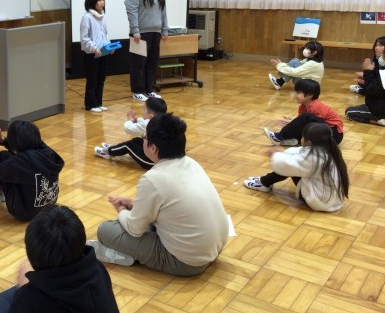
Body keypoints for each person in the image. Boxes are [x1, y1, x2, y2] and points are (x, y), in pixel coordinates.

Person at [88, 114, 229, 276]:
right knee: (140, 222)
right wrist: (134, 206)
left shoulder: (153, 178)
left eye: (144, 137)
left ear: (153, 148)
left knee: (105, 229)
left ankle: (124, 254)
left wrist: (121, 210)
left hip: (187, 263)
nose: (143, 140)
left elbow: (135, 229)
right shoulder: (191, 163)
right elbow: (171, 206)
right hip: (215, 248)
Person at [0, 205, 119, 313]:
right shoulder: (97, 269)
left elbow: (27, 304)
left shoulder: (32, 300)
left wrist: (24, 289)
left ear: (32, 255)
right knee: (13, 290)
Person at [244, 123, 349, 212]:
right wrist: (282, 153)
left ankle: (264, 183)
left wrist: (275, 155)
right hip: (331, 198)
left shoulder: (314, 159)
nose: (301, 139)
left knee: (289, 167)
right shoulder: (328, 150)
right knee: (291, 163)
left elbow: (288, 165)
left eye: (302, 137)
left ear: (309, 142)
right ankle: (265, 182)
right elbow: (300, 153)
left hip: (321, 201)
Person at [0, 120, 65, 221]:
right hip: (48, 207)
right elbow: (23, 146)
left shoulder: (20, 162)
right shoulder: (47, 151)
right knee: (6, 156)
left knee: (3, 157)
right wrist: (3, 140)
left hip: (23, 212)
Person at [124, 0, 168, 101]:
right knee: (138, 64)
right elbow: (131, 11)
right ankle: (137, 91)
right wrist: (135, 31)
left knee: (152, 63)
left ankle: (148, 89)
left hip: (155, 33)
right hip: (140, 34)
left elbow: (163, 12)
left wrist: (165, 29)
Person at [263, 78, 344, 146]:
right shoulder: (302, 107)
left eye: (298, 92)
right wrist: (291, 123)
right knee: (303, 121)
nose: (295, 95)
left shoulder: (316, 106)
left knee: (306, 117)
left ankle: (279, 136)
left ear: (309, 95)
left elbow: (319, 127)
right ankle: (292, 140)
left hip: (334, 135)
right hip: (322, 134)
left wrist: (293, 125)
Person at [93, 97, 167, 169]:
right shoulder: (162, 120)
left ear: (150, 116)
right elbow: (144, 123)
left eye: (144, 109)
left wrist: (129, 120)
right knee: (137, 140)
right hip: (161, 158)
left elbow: (128, 129)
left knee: (128, 146)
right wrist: (136, 120)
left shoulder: (149, 124)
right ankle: (114, 148)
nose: (142, 111)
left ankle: (107, 152)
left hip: (151, 163)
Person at [80, 0, 112, 112]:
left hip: (103, 53)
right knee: (92, 80)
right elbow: (84, 38)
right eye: (99, 0)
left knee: (101, 79)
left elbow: (105, 35)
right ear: (92, 1)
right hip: (92, 54)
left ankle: (98, 103)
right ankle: (90, 105)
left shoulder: (102, 17)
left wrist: (109, 46)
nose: (102, 2)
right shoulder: (87, 18)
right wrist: (94, 48)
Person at [345, 36, 385, 126]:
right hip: (379, 102)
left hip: (380, 108)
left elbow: (375, 91)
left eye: (381, 45)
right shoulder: (379, 61)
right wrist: (365, 80)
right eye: (376, 45)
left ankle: (377, 120)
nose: (377, 48)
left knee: (349, 112)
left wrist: (367, 72)